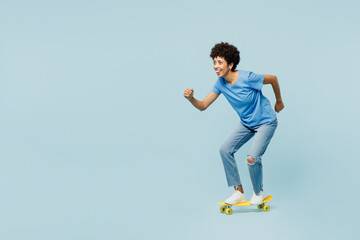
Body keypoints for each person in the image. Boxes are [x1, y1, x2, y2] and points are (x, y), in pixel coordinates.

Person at [183, 42, 284, 205]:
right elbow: (202, 106)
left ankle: (259, 192)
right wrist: (191, 99)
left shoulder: (247, 77)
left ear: (230, 64)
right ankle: (239, 191)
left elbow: (273, 79)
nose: (216, 66)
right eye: (214, 62)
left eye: (220, 62)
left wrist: (279, 101)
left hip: (266, 122)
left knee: (252, 159)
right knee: (225, 150)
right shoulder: (220, 84)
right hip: (247, 124)